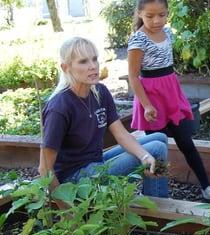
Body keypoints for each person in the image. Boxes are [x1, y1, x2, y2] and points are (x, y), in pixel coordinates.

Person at [128, 0, 210, 203]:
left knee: (186, 142)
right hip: (151, 100)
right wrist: (146, 106)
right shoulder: (137, 41)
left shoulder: (168, 34)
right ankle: (157, 196)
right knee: (157, 147)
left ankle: (207, 187)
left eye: (162, 15)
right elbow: (134, 77)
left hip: (170, 94)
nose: (156, 21)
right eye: (150, 16)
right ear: (139, 14)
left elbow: (167, 67)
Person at [39, 37, 169, 197]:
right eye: (83, 62)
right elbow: (44, 168)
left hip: (96, 163)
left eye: (94, 59)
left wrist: (144, 156)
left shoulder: (100, 92)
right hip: (75, 179)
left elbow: (121, 134)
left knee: (160, 138)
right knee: (157, 149)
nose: (93, 66)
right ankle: (157, 209)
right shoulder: (59, 107)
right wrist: (66, 211)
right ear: (66, 67)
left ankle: (152, 198)